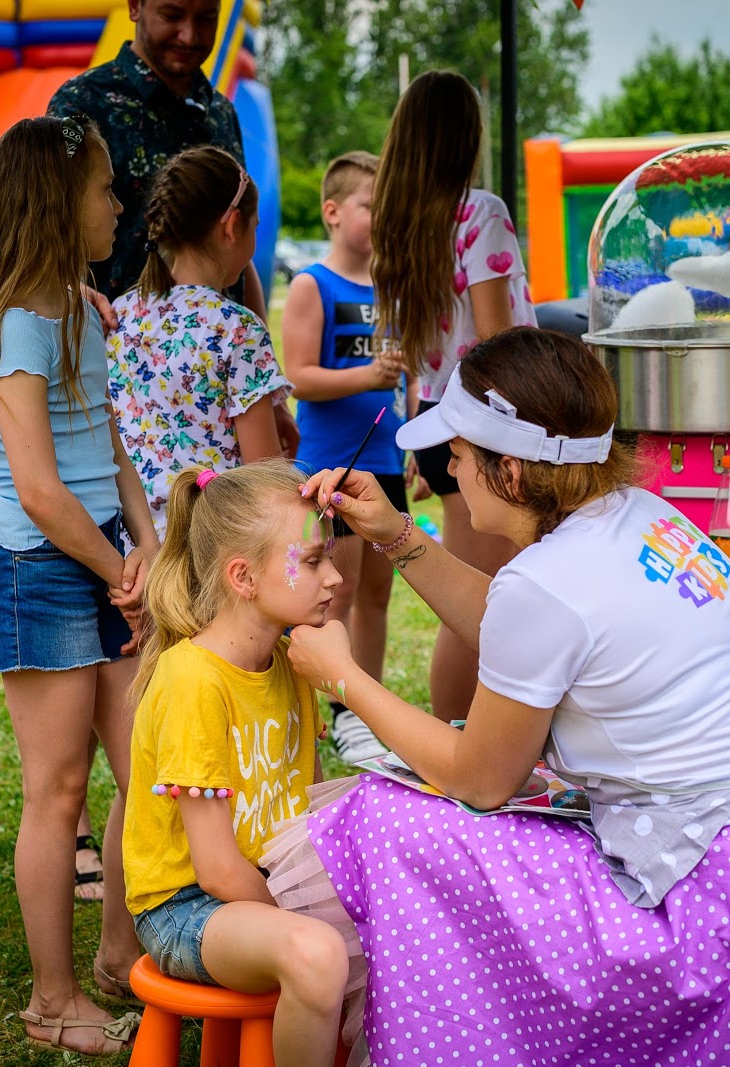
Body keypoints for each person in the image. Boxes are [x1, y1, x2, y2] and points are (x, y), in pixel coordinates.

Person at [273, 327, 730, 1064]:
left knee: (385, 818)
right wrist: (398, 536)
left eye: (457, 453)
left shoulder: (547, 585)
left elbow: (480, 779)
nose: (448, 469)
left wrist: (348, 681)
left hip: (719, 911)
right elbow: (521, 628)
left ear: (512, 472)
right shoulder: (640, 514)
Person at [0, 115, 154, 1056]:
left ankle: (118, 953)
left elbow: (109, 444)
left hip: (104, 553)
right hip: (35, 569)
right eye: (104, 189)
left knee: (146, 764)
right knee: (60, 787)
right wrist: (120, 573)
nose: (117, 204)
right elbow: (37, 489)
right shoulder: (9, 327)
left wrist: (146, 546)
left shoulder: (79, 309)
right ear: (55, 203)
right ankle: (51, 1000)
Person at [122, 460, 350, 1067]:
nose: (334, 577)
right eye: (312, 560)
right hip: (187, 907)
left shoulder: (292, 662)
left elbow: (310, 813)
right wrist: (314, 916)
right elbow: (219, 870)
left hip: (265, 888)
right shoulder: (193, 679)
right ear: (243, 577)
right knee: (319, 953)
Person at [370, 69, 537, 723]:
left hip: (440, 417)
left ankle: (461, 741)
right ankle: (452, 746)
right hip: (486, 419)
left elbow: (423, 350)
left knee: (472, 598)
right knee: (479, 606)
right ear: (465, 137)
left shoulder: (403, 225)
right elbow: (495, 341)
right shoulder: (481, 213)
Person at [281, 150, 406, 765]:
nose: (381, 217)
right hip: (332, 462)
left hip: (386, 459)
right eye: (369, 206)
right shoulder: (313, 284)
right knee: (343, 587)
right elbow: (299, 377)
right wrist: (366, 376)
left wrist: (409, 443)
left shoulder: (391, 286)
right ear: (332, 212)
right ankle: (341, 706)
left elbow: (401, 380)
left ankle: (369, 702)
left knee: (380, 590)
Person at [107, 146, 290, 536]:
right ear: (232, 226)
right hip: (213, 549)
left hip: (134, 549)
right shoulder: (238, 329)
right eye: (255, 227)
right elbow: (266, 480)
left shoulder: (115, 316)